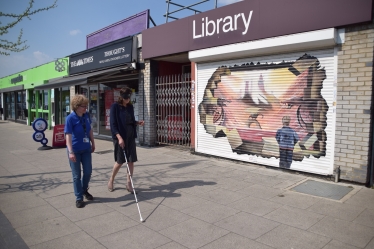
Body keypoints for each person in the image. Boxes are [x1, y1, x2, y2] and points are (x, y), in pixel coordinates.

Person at [108, 87, 144, 194]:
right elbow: (113, 125)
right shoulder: (115, 107)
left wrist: (138, 123)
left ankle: (129, 183)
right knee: (120, 161)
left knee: (131, 160)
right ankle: (111, 179)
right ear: (121, 97)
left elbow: (131, 120)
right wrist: (119, 138)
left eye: (129, 97)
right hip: (120, 137)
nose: (127, 99)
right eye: (125, 97)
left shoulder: (130, 107)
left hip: (130, 136)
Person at [65, 94, 95, 208]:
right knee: (76, 175)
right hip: (75, 150)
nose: (85, 108)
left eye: (86, 106)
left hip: (86, 148)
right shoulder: (70, 118)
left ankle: (84, 189)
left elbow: (89, 130)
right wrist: (70, 152)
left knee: (88, 172)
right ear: (76, 106)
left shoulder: (86, 115)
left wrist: (93, 142)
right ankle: (79, 197)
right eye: (83, 106)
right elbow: (68, 135)